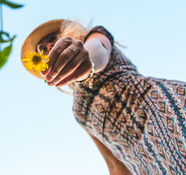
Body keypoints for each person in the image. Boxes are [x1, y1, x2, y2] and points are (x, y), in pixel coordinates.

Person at [21, 19, 186, 175]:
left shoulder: (95, 36)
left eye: (52, 38)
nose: (49, 45)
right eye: (41, 49)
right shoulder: (78, 111)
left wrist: (87, 64)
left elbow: (97, 51)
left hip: (168, 111)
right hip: (151, 164)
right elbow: (114, 165)